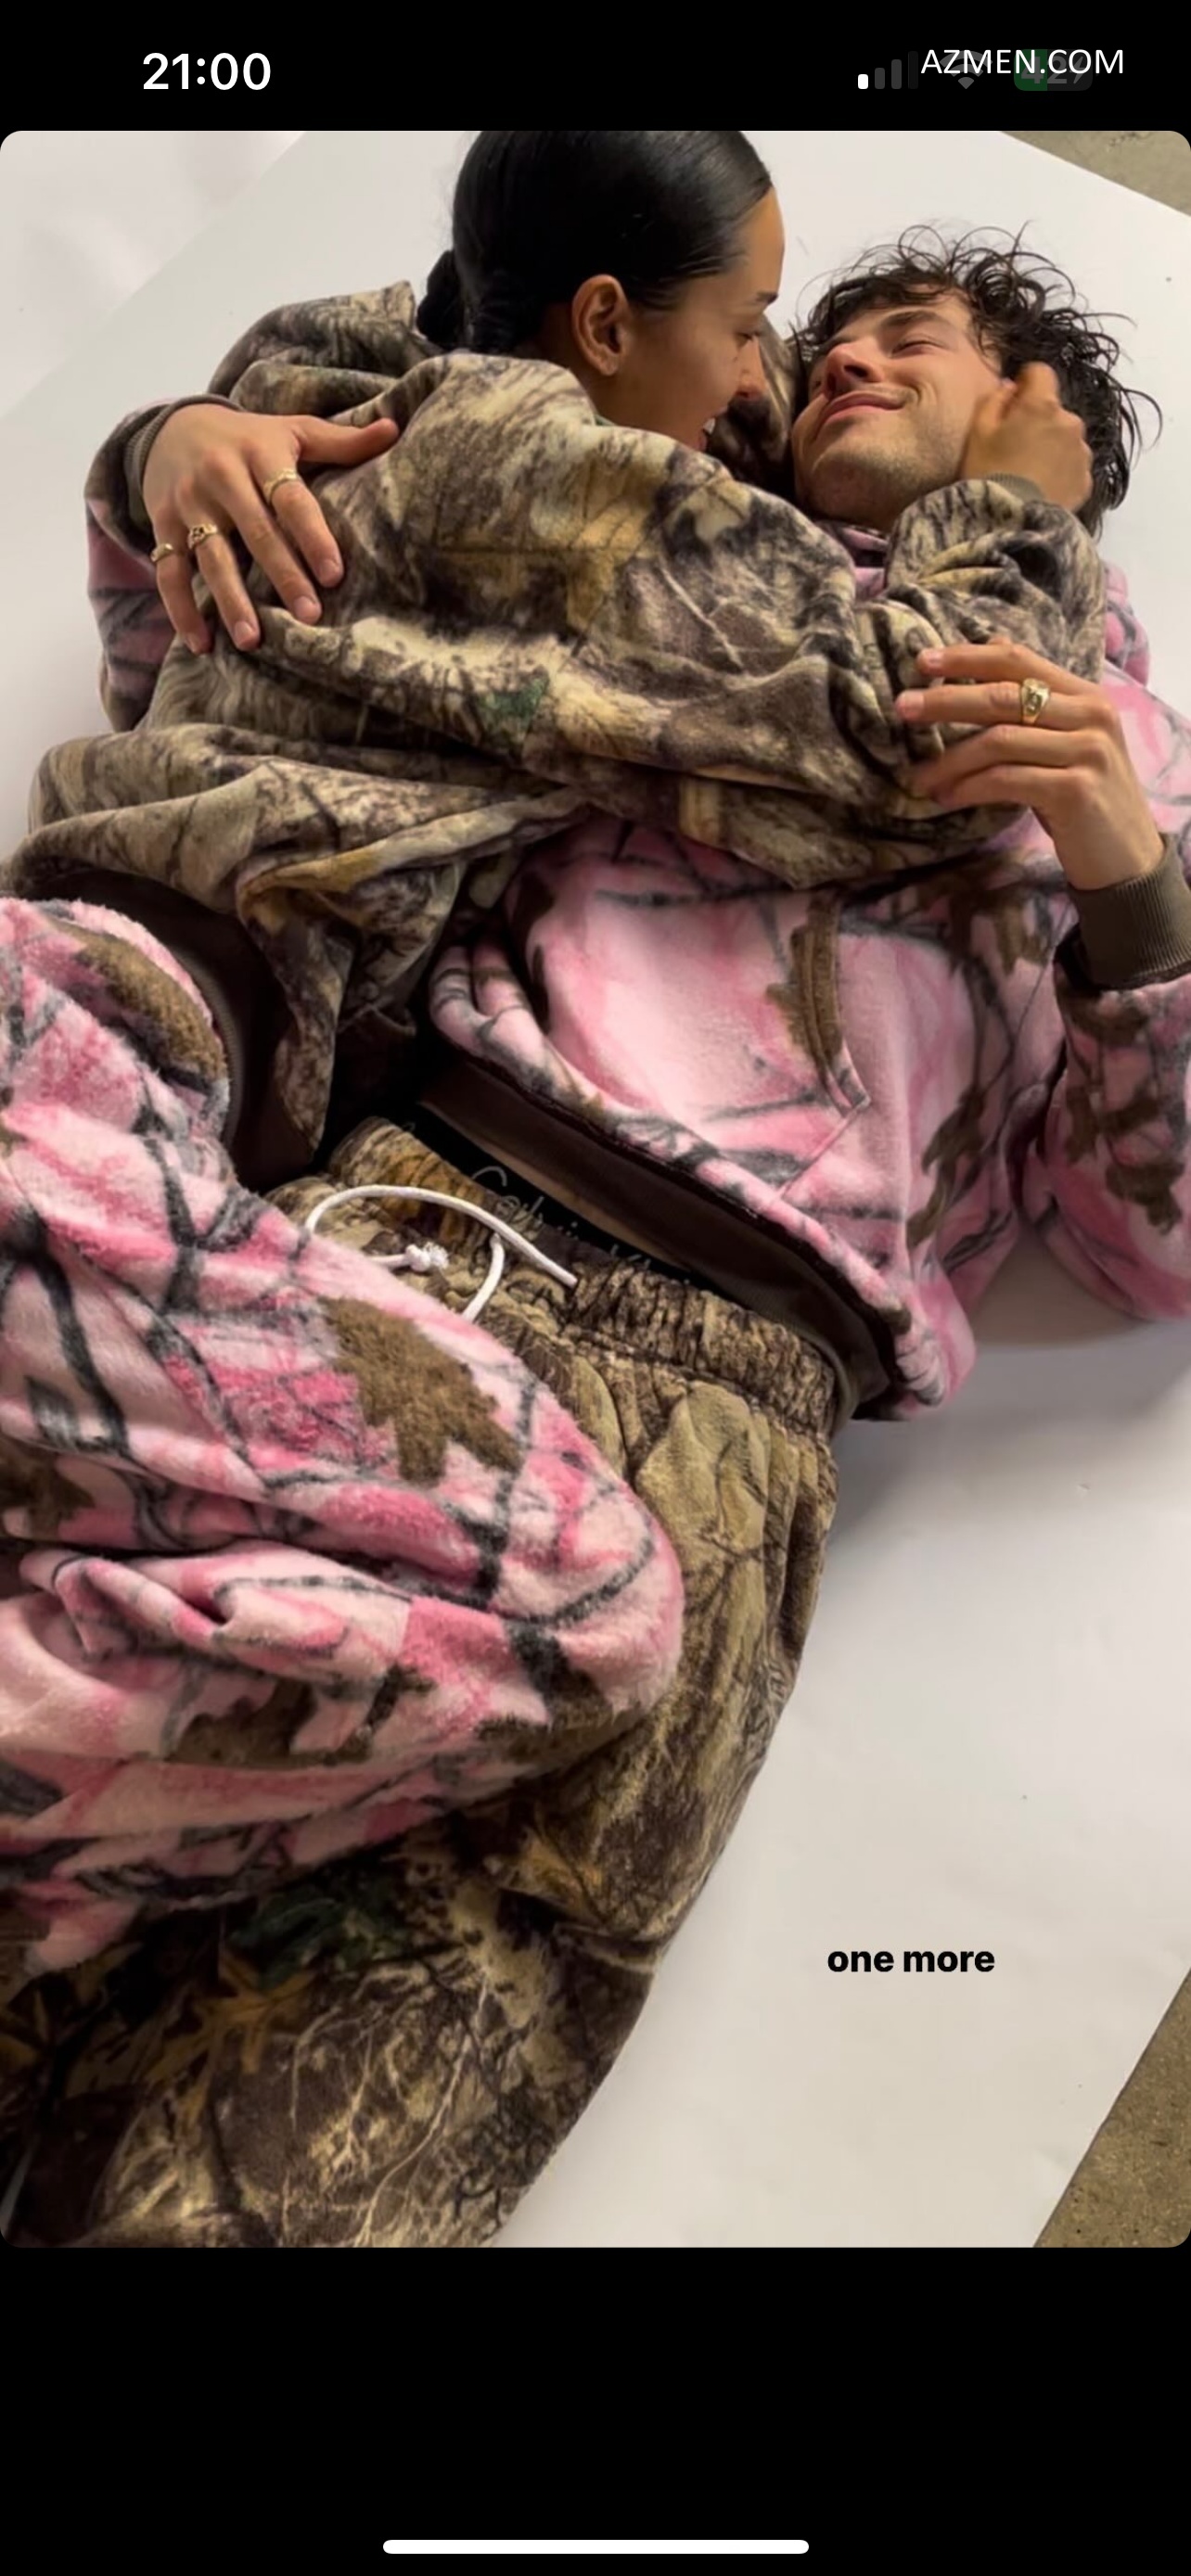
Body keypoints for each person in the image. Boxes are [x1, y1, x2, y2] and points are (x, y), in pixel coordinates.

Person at [0, 145, 1168, 2251]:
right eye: (804, 336)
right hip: (380, 1231)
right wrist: (168, 444)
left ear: (1035, 423)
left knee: (305, 2162)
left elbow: (1153, 1234)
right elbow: (235, 650)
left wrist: (1133, 887)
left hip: (721, 1397)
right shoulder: (654, 535)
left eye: (912, 340)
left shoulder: (1113, 735)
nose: (833, 363)